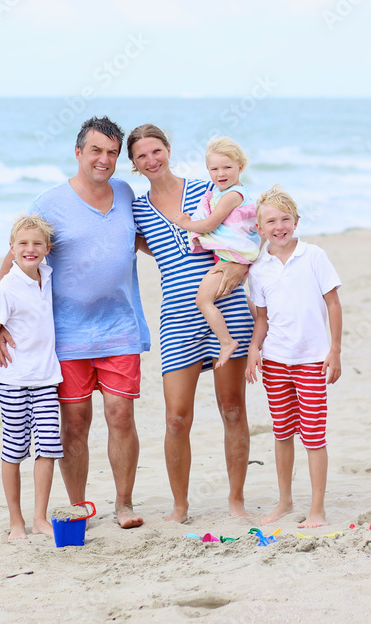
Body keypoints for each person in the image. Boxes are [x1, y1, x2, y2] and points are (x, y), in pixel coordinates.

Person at [0, 116, 150, 529]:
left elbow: (142, 239)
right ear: (78, 152)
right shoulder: (49, 204)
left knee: (121, 415)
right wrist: (1, 327)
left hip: (120, 327)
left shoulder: (125, 192)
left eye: (113, 153)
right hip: (64, 335)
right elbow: (15, 260)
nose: (104, 159)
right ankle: (79, 504)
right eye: (96, 150)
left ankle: (123, 504)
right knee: (75, 421)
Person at [127, 123, 253, 523]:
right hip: (178, 317)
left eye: (156, 151)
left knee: (232, 409)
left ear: (168, 149)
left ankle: (236, 501)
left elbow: (253, 224)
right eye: (141, 156)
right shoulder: (137, 209)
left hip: (227, 307)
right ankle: (180, 507)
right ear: (133, 164)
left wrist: (240, 269)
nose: (151, 160)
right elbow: (135, 242)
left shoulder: (207, 188)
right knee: (176, 417)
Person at [245, 185, 343, 528]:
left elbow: (333, 304)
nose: (279, 226)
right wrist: (253, 351)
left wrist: (335, 350)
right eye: (270, 221)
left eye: (285, 219)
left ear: (296, 221)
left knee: (314, 435)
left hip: (313, 359)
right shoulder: (258, 269)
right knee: (282, 432)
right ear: (259, 228)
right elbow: (261, 319)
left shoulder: (314, 256)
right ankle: (285, 500)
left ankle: (317, 508)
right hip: (275, 360)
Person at [0, 214, 63, 541]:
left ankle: (40, 517)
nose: (30, 249)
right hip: (13, 382)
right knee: (14, 450)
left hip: (47, 379)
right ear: (11, 249)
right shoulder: (7, 288)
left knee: (48, 448)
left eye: (37, 243)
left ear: (47, 248)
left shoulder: (49, 276)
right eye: (23, 244)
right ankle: (16, 520)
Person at [173, 136, 261, 369]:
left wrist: (186, 223)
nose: (221, 173)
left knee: (203, 299)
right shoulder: (222, 192)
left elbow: (210, 224)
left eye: (227, 167)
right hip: (234, 257)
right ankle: (266, 325)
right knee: (244, 297)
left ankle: (226, 341)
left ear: (240, 167)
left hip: (234, 256)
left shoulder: (233, 195)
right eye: (214, 168)